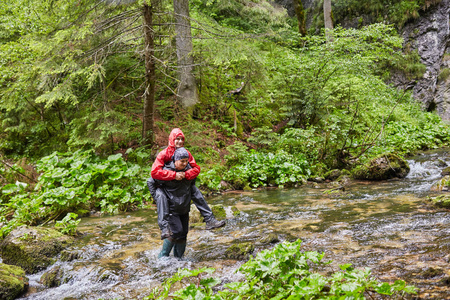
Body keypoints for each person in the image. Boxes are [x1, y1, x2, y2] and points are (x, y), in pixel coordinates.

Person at [148, 128, 225, 240]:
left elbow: (196, 168)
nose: (179, 141)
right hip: (166, 187)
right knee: (161, 198)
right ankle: (164, 229)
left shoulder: (186, 153)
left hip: (183, 186)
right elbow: (154, 173)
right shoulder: (163, 154)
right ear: (171, 139)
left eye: (181, 139)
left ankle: (209, 220)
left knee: (195, 191)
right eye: (177, 139)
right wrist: (174, 175)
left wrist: (186, 174)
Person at [148, 147, 194, 258]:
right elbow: (150, 181)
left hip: (184, 207)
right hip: (171, 207)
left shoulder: (189, 170)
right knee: (176, 231)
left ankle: (178, 258)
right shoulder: (166, 171)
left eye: (186, 161)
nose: (184, 163)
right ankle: (163, 256)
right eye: (181, 161)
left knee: (183, 234)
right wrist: (158, 198)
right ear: (175, 160)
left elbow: (192, 184)